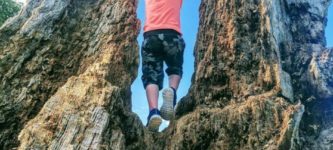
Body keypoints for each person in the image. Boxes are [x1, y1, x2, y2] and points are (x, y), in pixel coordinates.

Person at [141, 0, 185, 131]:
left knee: (150, 75)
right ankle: (172, 90)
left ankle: (153, 112)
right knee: (175, 68)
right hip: (173, 33)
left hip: (151, 35)